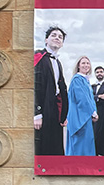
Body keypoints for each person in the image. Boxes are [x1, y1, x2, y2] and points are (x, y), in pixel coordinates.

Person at [33, 26, 68, 156]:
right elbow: (34, 86)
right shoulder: (38, 56)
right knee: (43, 145)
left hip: (54, 110)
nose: (57, 38)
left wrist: (64, 115)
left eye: (60, 37)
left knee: (55, 145)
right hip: (42, 110)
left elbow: (61, 90)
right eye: (53, 35)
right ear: (46, 39)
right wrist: (36, 113)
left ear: (62, 43)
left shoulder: (58, 63)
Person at [65, 56, 98, 156]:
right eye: (83, 63)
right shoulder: (77, 79)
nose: (86, 65)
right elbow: (82, 98)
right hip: (79, 117)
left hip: (85, 116)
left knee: (86, 143)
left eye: (88, 63)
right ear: (78, 65)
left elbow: (90, 98)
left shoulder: (85, 80)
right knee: (80, 144)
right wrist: (93, 112)